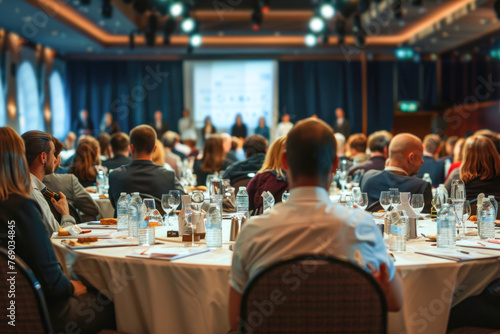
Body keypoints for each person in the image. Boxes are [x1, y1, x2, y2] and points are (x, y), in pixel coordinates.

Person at [228, 119, 403, 331]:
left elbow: (237, 320)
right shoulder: (361, 225)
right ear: (335, 164)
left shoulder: (253, 231)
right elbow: (395, 302)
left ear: (284, 161)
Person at [0, 127, 116, 333]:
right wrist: (72, 286)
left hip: (10, 312)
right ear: (16, 159)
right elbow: (52, 280)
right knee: (113, 301)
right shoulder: (22, 206)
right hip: (43, 310)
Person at [108, 125, 185, 209]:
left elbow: (115, 205)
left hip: (127, 222)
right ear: (154, 148)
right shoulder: (169, 176)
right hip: (159, 222)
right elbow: (183, 203)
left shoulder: (114, 176)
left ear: (132, 148)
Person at [21, 130, 76, 236]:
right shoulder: (33, 191)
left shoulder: (21, 183)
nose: (55, 159)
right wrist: (65, 213)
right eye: (53, 153)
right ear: (43, 157)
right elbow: (59, 237)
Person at [360, 133, 432, 212]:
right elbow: (427, 220)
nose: (422, 161)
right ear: (411, 158)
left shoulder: (367, 177)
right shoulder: (421, 186)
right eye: (420, 157)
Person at [44, 138, 101, 220]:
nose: (56, 159)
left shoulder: (67, 172)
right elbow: (94, 210)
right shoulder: (68, 180)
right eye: (54, 154)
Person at [445, 135, 500, 201]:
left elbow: (444, 198)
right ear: (493, 153)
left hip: (467, 211)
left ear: (466, 155)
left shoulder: (457, 176)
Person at [246, 136, 288, 214]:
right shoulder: (303, 181)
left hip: (262, 223)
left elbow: (246, 209)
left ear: (270, 154)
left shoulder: (260, 179)